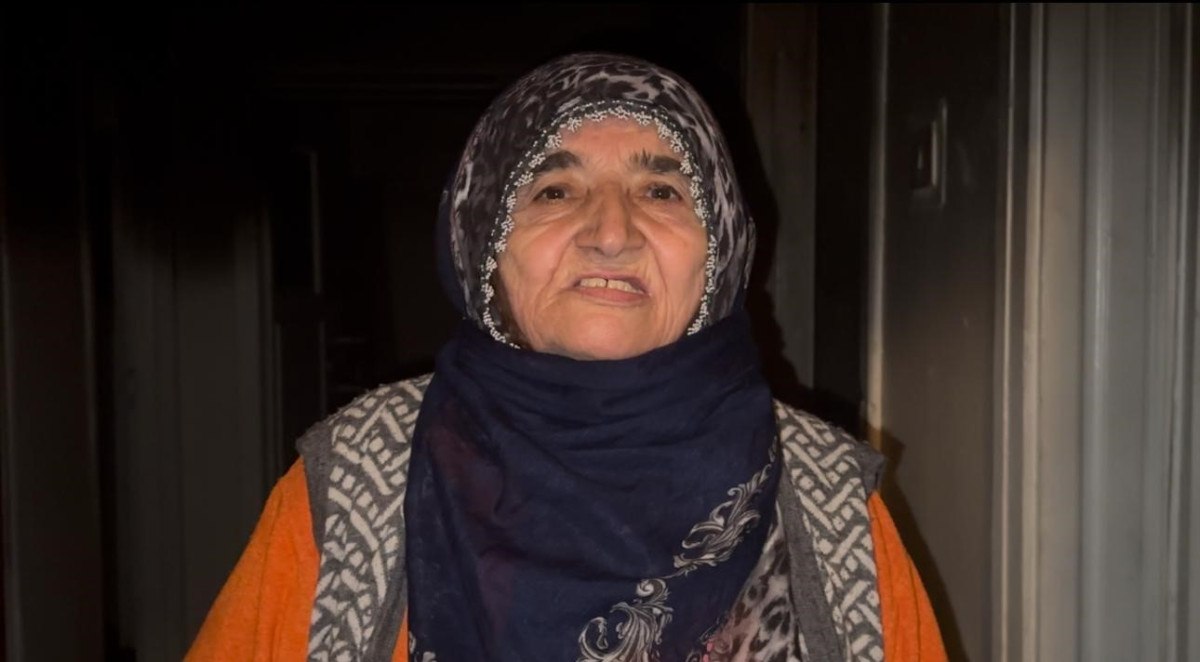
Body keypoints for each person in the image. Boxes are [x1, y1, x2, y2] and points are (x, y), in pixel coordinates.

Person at [188, 52, 945, 661]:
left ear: (720, 248)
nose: (611, 232)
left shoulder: (827, 497)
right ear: (483, 244)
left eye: (661, 190)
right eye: (554, 190)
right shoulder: (353, 481)